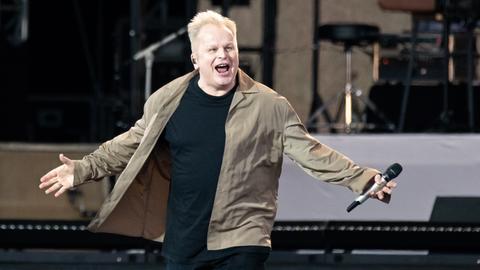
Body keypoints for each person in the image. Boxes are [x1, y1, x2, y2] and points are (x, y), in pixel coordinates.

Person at [39, 10, 397, 270]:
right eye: (213, 50)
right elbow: (133, 142)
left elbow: (312, 153)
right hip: (184, 238)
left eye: (229, 48)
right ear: (196, 59)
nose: (223, 56)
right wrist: (85, 168)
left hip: (242, 237)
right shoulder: (168, 100)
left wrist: (362, 178)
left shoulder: (269, 105)